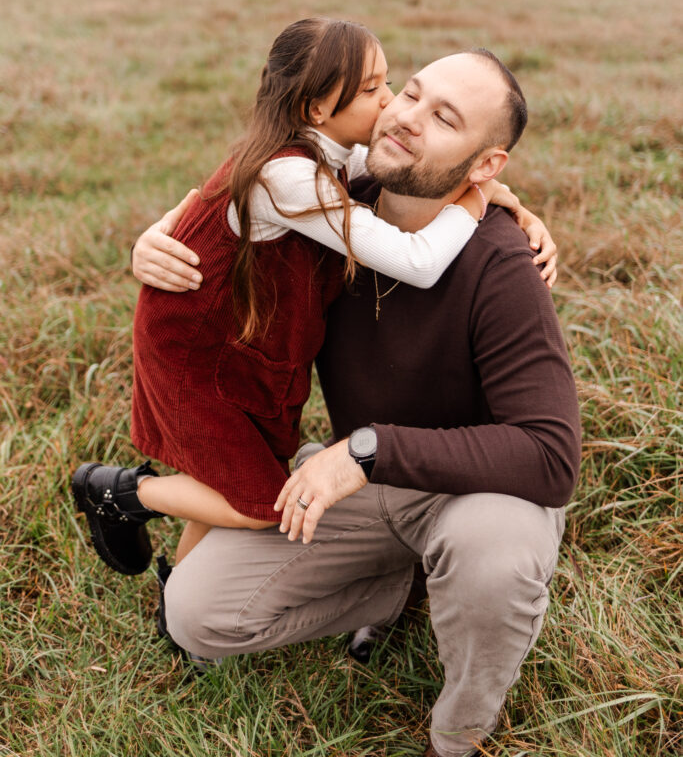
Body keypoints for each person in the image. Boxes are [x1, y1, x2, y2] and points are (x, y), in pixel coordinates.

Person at [131, 48, 580, 757]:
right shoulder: (334, 210)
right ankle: (403, 592)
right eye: (408, 92)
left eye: (443, 118)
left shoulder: (500, 264)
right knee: (194, 615)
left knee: (489, 556)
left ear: (485, 163)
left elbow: (550, 457)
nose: (404, 118)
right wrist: (152, 243)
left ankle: (455, 737)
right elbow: (230, 204)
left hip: (481, 491)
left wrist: (368, 452)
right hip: (367, 483)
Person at [72, 19, 555, 578]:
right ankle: (124, 494)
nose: (392, 103)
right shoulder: (288, 178)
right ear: (319, 109)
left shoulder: (328, 153)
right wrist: (474, 204)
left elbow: (421, 173)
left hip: (238, 343)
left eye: (389, 82)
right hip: (196, 352)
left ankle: (176, 597)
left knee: (223, 477)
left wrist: (507, 199)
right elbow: (417, 262)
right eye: (374, 90)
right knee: (255, 505)